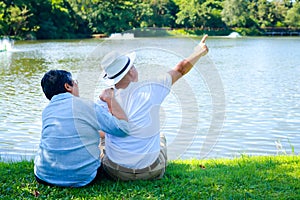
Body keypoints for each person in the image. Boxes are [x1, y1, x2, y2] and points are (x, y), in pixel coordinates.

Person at [99, 35, 209, 180]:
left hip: (115, 172)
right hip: (151, 171)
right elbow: (181, 68)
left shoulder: (103, 100)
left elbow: (99, 132)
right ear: (131, 71)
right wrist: (199, 51)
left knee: (102, 140)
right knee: (161, 138)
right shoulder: (152, 88)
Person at [34, 69, 129, 187]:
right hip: (83, 178)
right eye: (75, 82)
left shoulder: (47, 111)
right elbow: (123, 129)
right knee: (103, 147)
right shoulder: (87, 106)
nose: (77, 84)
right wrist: (110, 99)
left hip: (44, 175)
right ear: (68, 86)